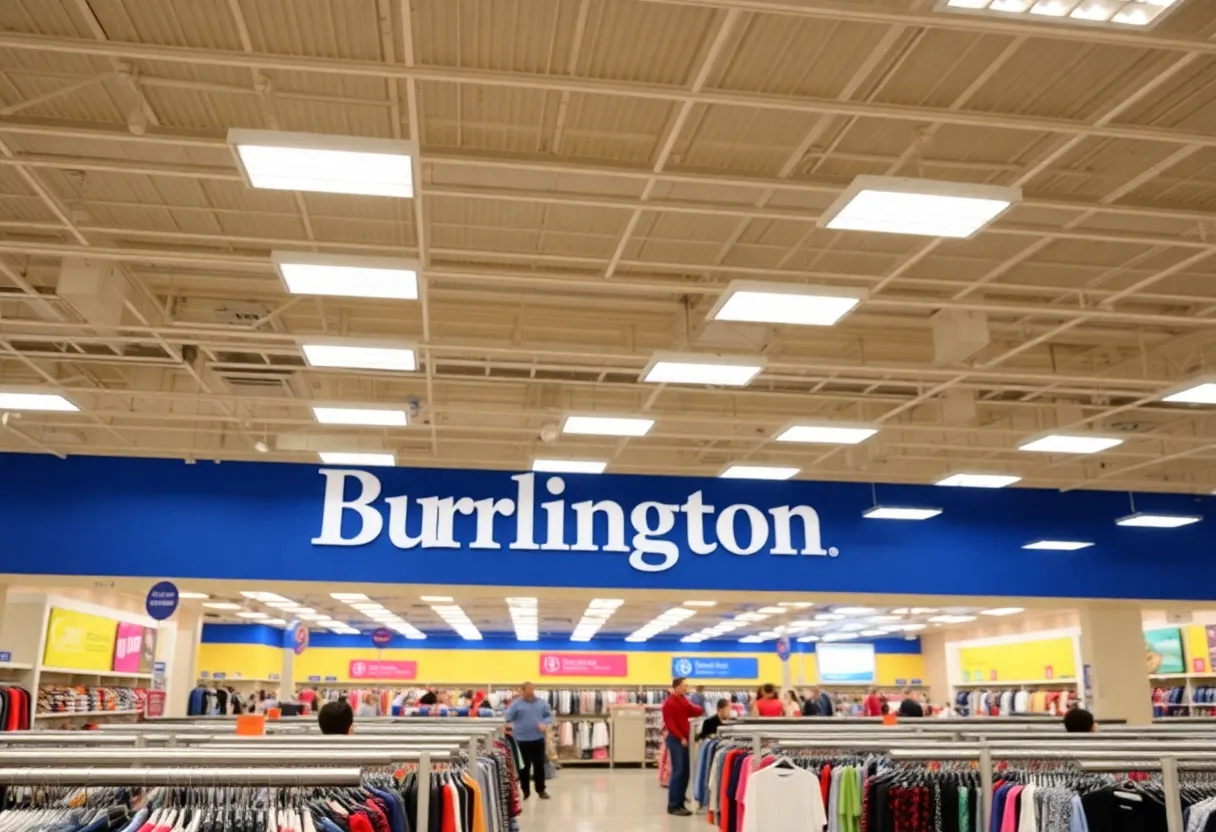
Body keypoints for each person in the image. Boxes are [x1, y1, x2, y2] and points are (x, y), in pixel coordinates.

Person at [662, 677, 704, 816]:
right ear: (676, 687)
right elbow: (670, 723)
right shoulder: (669, 703)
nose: (686, 688)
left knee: (685, 772)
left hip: (684, 739)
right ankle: (673, 805)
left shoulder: (683, 700)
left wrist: (690, 704)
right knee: (678, 772)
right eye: (684, 686)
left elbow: (697, 711)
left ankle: (680, 801)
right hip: (676, 740)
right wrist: (680, 737)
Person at [504, 682, 552, 800]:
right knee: (523, 767)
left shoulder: (541, 703)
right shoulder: (516, 705)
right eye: (528, 690)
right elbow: (508, 717)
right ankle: (525, 791)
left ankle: (541, 790)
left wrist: (544, 724)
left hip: (538, 739)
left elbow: (549, 716)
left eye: (532, 689)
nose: (531, 692)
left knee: (539, 765)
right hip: (521, 740)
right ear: (523, 691)